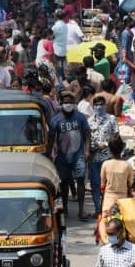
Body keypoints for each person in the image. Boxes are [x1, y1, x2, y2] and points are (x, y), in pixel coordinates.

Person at [49, 90, 91, 218]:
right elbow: (51, 137)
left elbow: (87, 133)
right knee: (64, 182)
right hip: (62, 155)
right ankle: (65, 209)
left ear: (74, 103)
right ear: (61, 103)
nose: (68, 104)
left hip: (79, 154)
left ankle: (81, 210)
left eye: (70, 102)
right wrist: (52, 152)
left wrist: (87, 149)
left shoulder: (80, 117)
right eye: (65, 102)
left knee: (80, 180)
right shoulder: (55, 119)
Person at [89, 96, 119, 215]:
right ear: (93, 106)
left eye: (101, 104)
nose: (99, 107)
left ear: (105, 105)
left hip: (108, 157)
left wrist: (106, 144)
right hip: (94, 157)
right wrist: (94, 146)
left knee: (108, 184)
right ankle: (97, 208)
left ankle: (107, 207)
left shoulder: (111, 119)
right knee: (95, 183)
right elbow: (87, 138)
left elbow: (116, 135)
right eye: (96, 104)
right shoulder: (90, 121)